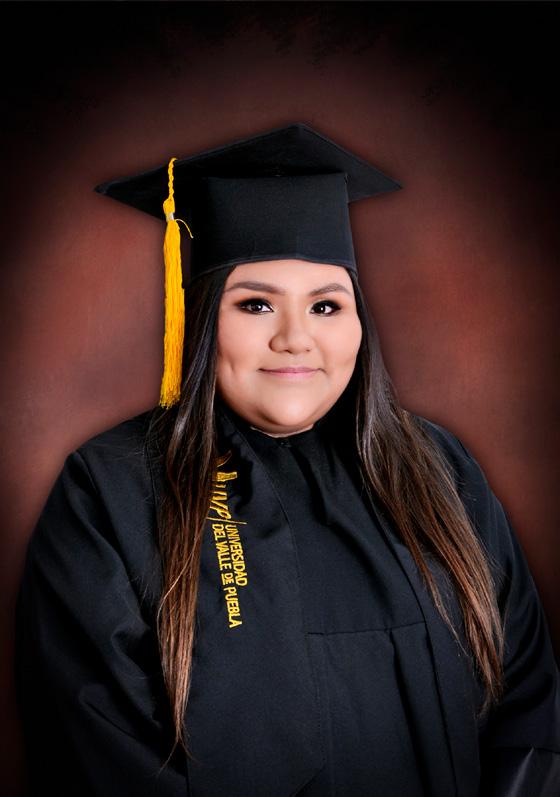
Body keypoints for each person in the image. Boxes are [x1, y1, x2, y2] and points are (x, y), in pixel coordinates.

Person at [15, 123, 560, 796]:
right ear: (203, 319)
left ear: (359, 325)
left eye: (326, 305)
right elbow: (97, 752)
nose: (296, 338)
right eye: (256, 304)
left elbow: (529, 710)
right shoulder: (110, 493)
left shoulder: (441, 472)